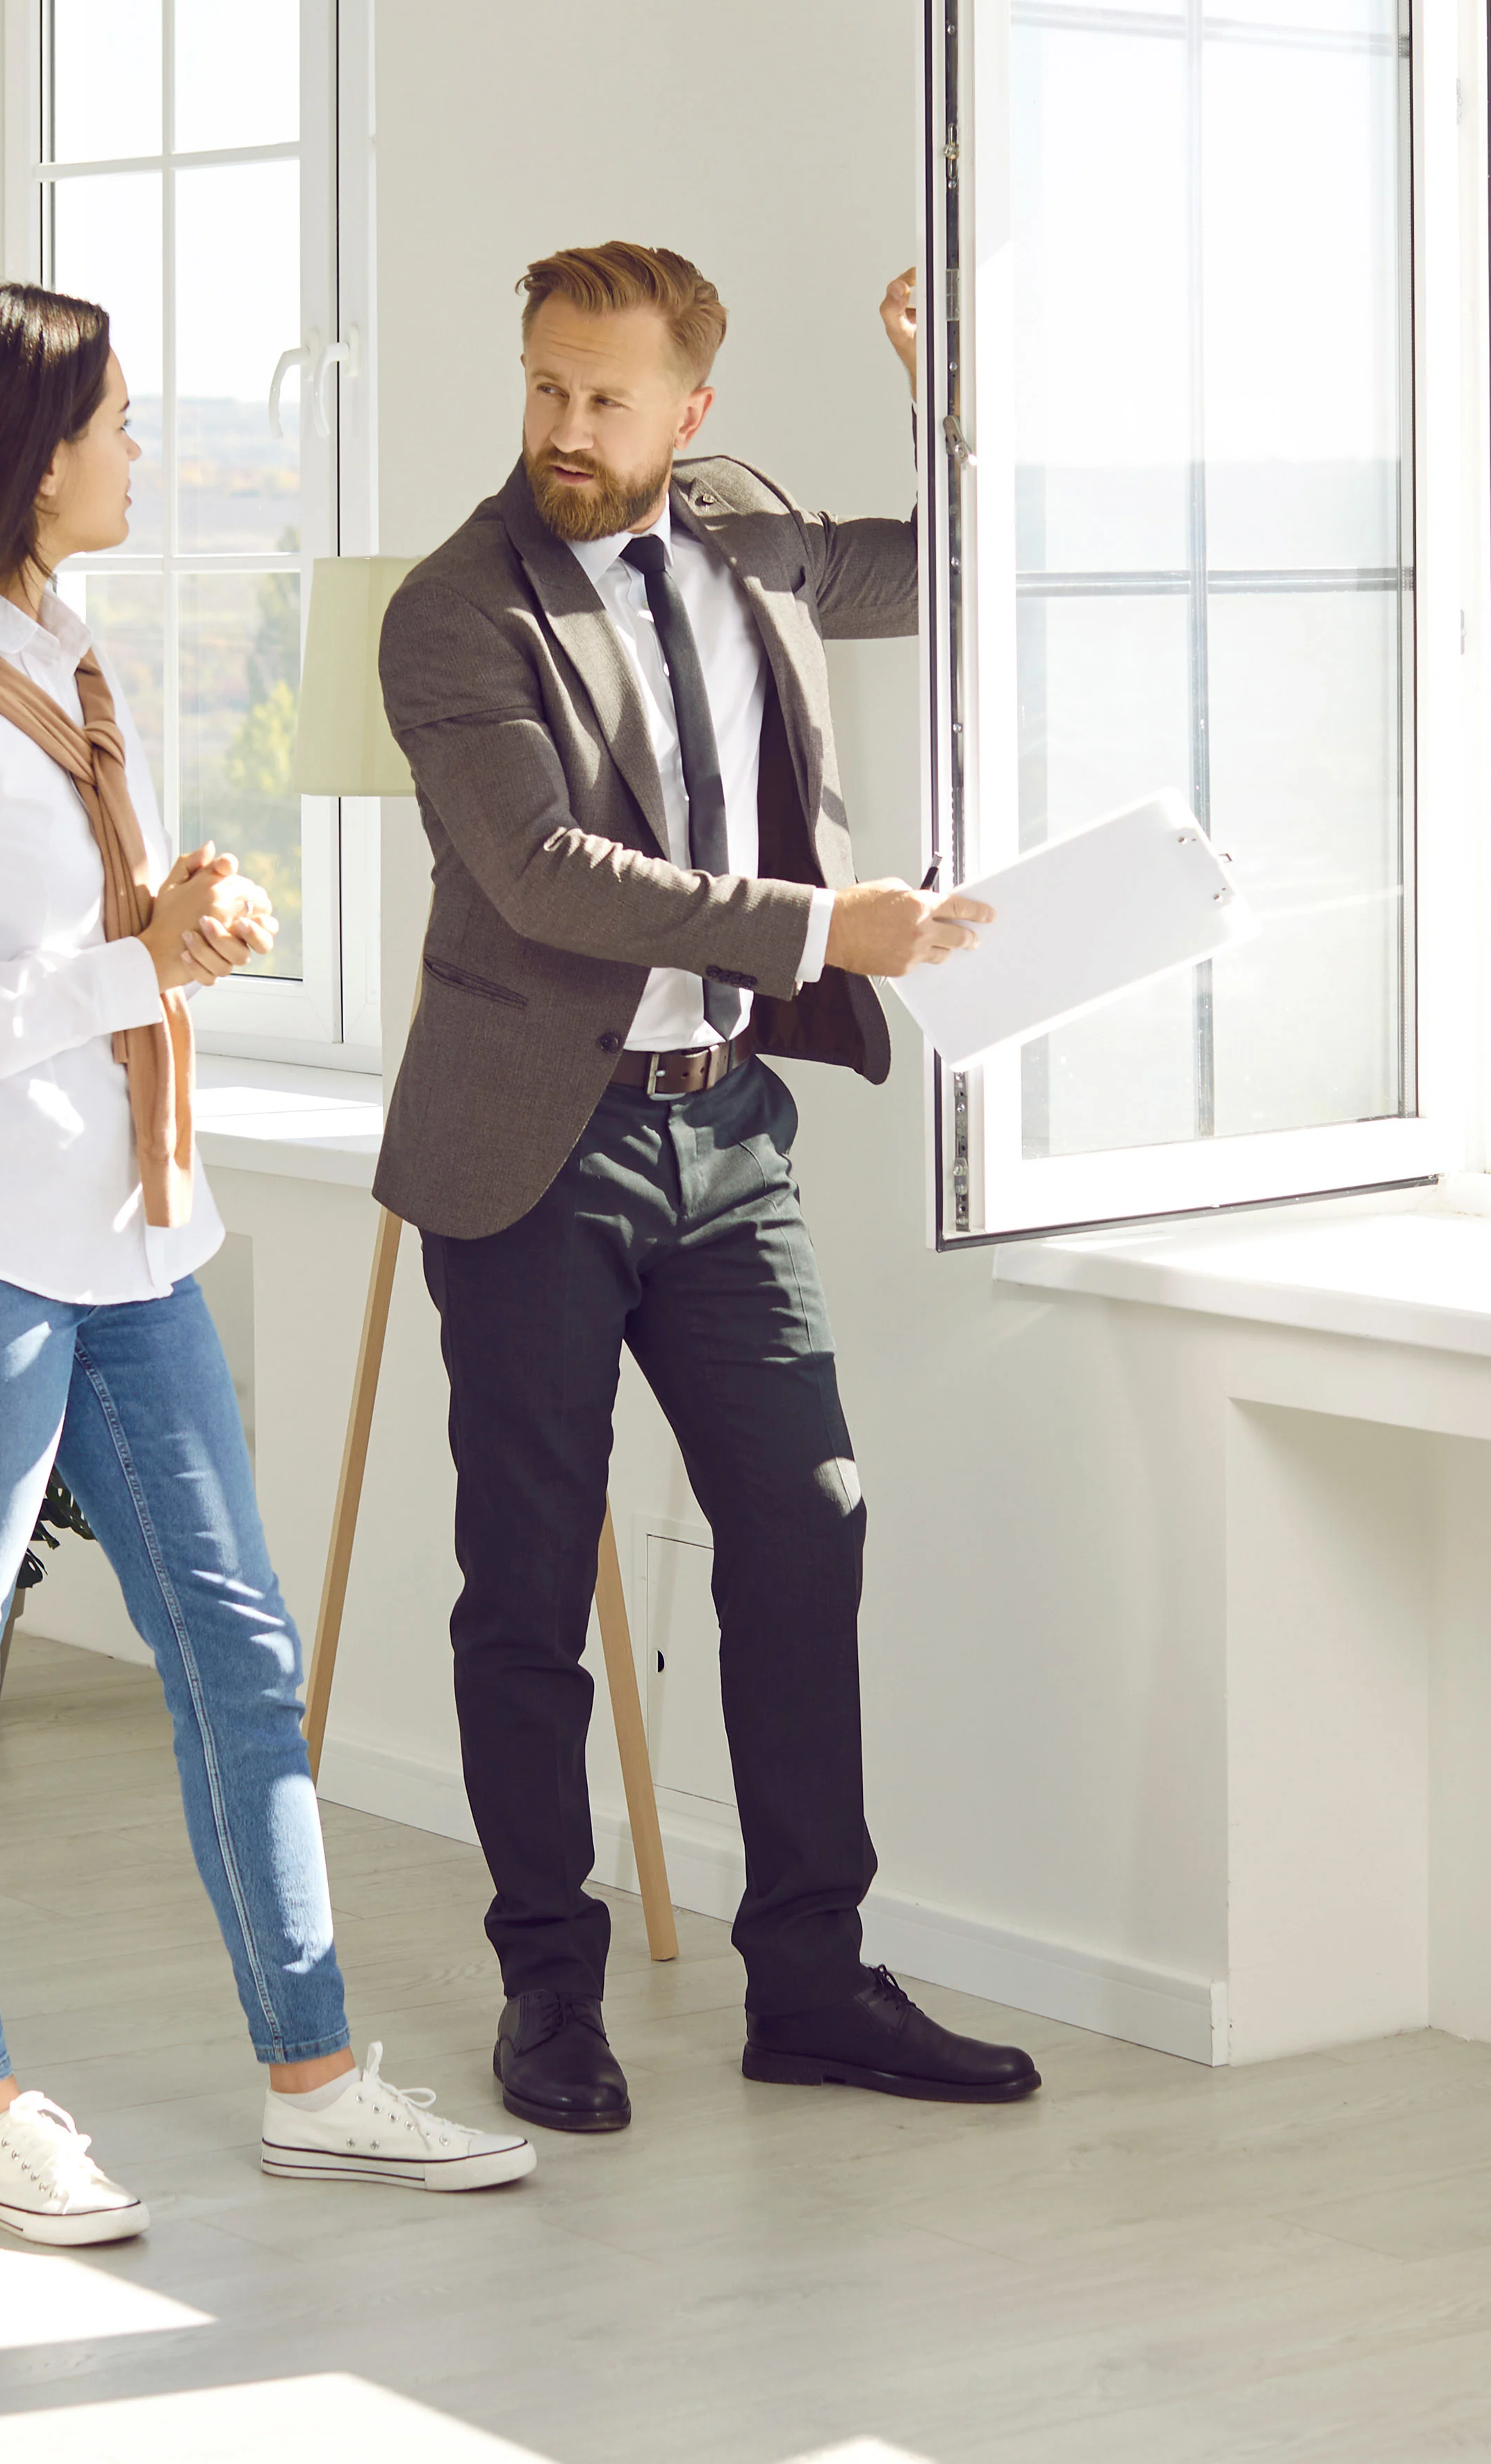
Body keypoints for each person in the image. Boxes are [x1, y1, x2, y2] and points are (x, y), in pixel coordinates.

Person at [0, 281, 534, 2242]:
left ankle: (314, 2079)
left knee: (240, 1651)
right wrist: (148, 962)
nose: (144, 448)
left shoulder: (66, 656)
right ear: (34, 455)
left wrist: (170, 905)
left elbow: (61, 944)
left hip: (124, 1230)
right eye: (122, 421)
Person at [377, 240, 1038, 2135]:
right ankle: (547, 1991)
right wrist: (834, 924)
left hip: (728, 1130)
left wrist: (947, 392)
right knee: (526, 1581)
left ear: (692, 410)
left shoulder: (745, 533)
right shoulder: (454, 613)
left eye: (606, 397)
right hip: (534, 1149)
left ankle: (812, 1980)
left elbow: (958, 572)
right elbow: (545, 874)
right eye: (542, 387)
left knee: (806, 1526)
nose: (566, 430)